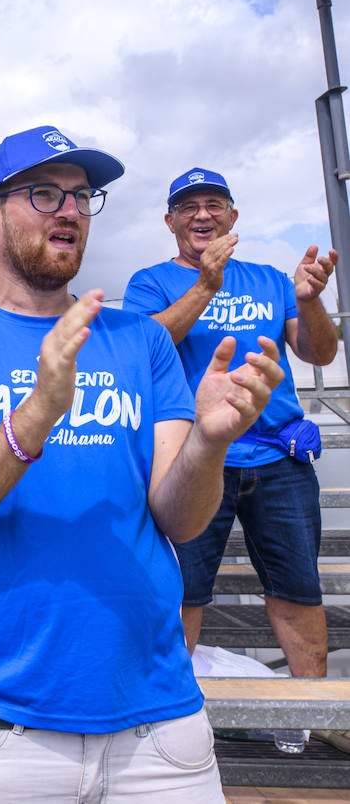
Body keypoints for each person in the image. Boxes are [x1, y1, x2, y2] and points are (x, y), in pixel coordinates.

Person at [0, 126, 283, 802]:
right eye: (43, 193)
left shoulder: (140, 339)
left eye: (80, 196)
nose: (69, 210)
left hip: (159, 724)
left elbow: (180, 519)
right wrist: (36, 412)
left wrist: (209, 444)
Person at [123, 169, 339, 685]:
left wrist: (308, 301)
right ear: (170, 220)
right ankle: (171, 715)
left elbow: (320, 352)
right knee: (182, 595)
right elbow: (139, 349)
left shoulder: (269, 280)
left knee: (298, 593)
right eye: (189, 206)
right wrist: (206, 286)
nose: (203, 214)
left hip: (279, 461)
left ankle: (312, 719)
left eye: (214, 204)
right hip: (192, 460)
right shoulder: (149, 283)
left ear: (233, 217)